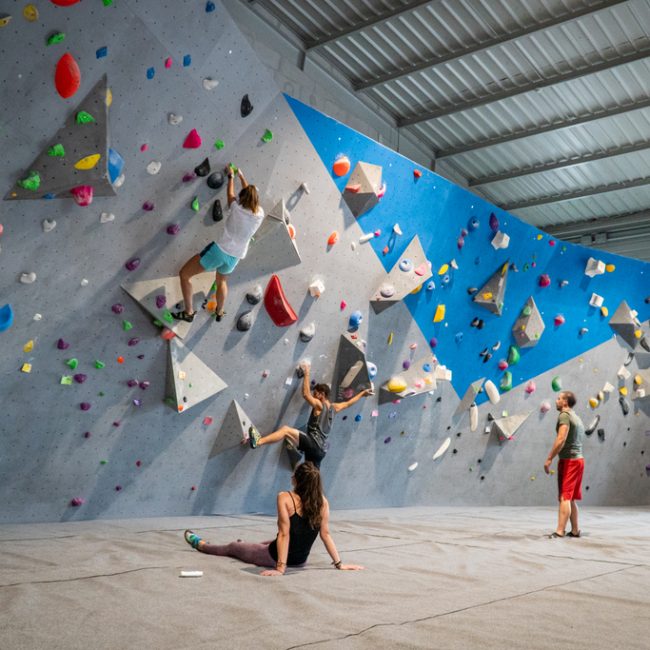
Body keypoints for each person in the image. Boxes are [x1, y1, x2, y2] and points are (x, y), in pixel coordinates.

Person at [183, 461, 364, 576]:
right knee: (267, 541)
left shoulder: (285, 497)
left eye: (294, 475)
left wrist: (280, 568)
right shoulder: (323, 502)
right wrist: (339, 564)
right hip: (301, 561)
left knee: (233, 547)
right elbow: (325, 535)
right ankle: (247, 545)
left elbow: (284, 535)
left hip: (272, 556)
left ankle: (200, 544)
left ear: (297, 480)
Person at [173, 165, 264, 323]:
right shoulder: (259, 215)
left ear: (242, 199)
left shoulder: (236, 208)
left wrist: (231, 177)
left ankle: (188, 312)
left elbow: (230, 193)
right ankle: (220, 312)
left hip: (218, 251)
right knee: (221, 281)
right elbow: (250, 194)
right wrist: (241, 176)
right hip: (234, 258)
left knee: (184, 275)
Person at [247, 360, 373, 467]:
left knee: (285, 430)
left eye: (316, 394)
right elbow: (349, 403)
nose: (314, 396)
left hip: (313, 444)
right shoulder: (334, 408)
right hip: (320, 453)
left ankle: (258, 442)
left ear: (322, 394)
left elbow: (305, 394)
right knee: (312, 477)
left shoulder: (320, 405)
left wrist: (307, 372)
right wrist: (363, 394)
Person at [544, 390, 585, 538]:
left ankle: (559, 531)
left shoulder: (564, 415)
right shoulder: (577, 417)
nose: (556, 400)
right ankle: (575, 530)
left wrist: (549, 458)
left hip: (570, 461)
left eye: (559, 398)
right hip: (578, 460)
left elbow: (561, 438)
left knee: (565, 497)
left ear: (565, 402)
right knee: (570, 497)